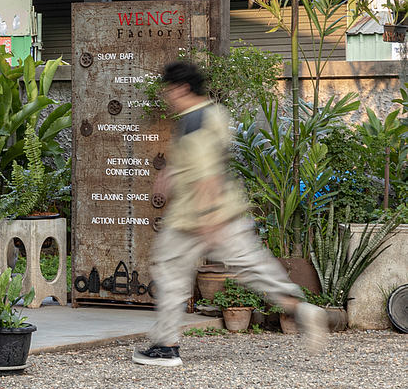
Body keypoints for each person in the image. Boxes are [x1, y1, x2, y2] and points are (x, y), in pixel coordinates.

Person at [131, 59, 326, 367]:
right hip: (226, 209)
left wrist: (208, 218)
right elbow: (209, 160)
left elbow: (207, 173)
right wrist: (171, 174)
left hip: (196, 217)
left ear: (182, 88)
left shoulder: (194, 120)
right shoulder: (213, 112)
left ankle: (166, 346)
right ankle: (302, 310)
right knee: (254, 268)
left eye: (168, 89)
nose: (166, 96)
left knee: (169, 270)